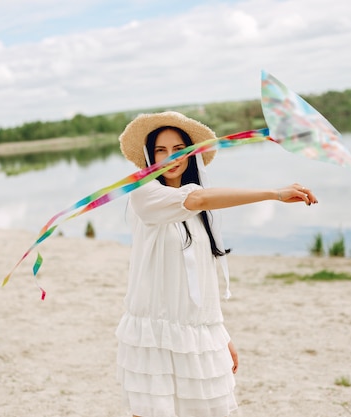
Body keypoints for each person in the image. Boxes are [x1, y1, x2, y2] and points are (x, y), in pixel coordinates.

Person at [115, 111, 318, 417]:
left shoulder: (201, 211)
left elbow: (204, 279)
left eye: (179, 149)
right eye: (161, 150)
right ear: (149, 157)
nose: (171, 157)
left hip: (197, 334)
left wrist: (220, 336)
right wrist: (274, 194)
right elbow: (198, 199)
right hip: (153, 333)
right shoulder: (144, 194)